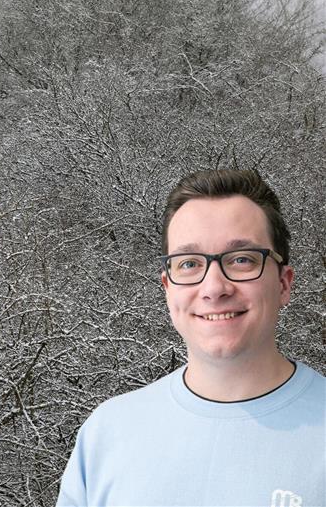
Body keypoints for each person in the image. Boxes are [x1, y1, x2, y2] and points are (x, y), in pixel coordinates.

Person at [56, 169, 325, 507]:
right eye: (189, 264)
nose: (214, 288)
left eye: (242, 260)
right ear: (168, 288)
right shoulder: (107, 434)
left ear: (284, 283)